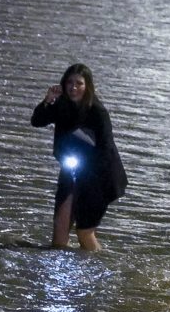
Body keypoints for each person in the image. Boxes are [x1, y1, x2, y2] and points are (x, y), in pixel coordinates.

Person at [30, 63, 128, 250]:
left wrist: (87, 172)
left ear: (88, 86)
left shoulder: (98, 113)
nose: (73, 87)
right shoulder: (61, 106)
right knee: (59, 240)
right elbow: (37, 121)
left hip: (99, 179)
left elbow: (106, 150)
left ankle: (97, 267)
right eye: (69, 82)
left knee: (84, 232)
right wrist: (48, 100)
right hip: (70, 173)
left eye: (79, 83)